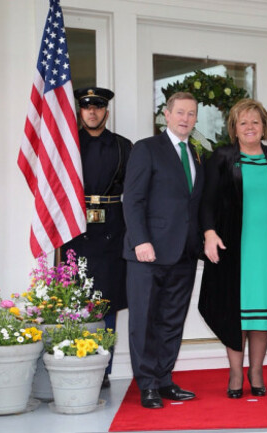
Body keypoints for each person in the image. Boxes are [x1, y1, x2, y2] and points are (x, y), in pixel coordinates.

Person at [199, 99, 267, 399]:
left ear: (264, 126)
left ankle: (257, 371)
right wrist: (209, 232)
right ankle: (236, 373)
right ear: (234, 129)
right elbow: (207, 200)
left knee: (263, 312)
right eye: (243, 123)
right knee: (234, 310)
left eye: (255, 122)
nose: (250, 127)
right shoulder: (223, 157)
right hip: (234, 248)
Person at [122, 92, 204, 409]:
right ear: (166, 115)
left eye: (192, 113)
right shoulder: (146, 149)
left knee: (172, 319)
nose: (185, 118)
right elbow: (133, 199)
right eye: (180, 112)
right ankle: (147, 385)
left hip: (184, 252)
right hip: (148, 252)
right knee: (144, 320)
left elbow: (192, 203)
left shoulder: (196, 153)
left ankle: (165, 379)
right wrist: (141, 240)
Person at [61, 86, 132, 388]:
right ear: (79, 110)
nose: (92, 112)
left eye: (98, 106)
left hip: (112, 230)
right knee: (72, 300)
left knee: (106, 303)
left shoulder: (123, 146)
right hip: (75, 228)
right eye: (86, 106)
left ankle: (102, 369)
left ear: (106, 110)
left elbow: (136, 190)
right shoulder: (66, 143)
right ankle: (73, 365)